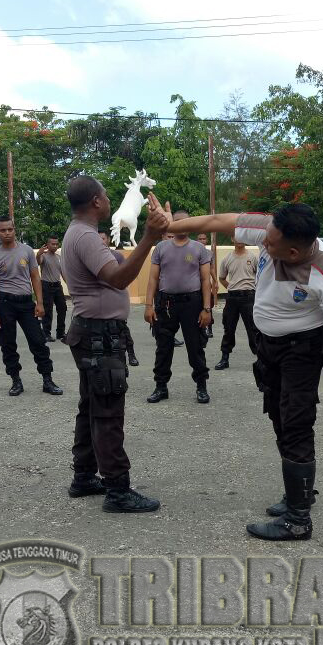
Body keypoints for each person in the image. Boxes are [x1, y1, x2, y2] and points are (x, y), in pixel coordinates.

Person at [150, 196, 323, 541]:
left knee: (295, 422)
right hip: (270, 347)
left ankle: (298, 519)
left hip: (303, 349)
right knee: (278, 415)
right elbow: (218, 221)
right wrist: (169, 226)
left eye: (270, 243)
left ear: (293, 252)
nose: (262, 242)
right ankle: (298, 494)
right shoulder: (270, 229)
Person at [61, 176, 168, 513]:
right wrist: (149, 238)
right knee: (108, 412)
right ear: (96, 201)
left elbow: (113, 268)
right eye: (105, 196)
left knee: (91, 406)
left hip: (92, 333)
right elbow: (119, 279)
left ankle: (84, 476)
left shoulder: (78, 234)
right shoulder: (86, 237)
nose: (109, 200)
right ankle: (117, 490)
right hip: (99, 337)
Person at [0, 216, 62, 397]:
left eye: (9, 229)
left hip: (26, 303)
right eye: (2, 230)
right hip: (5, 304)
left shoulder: (27, 251)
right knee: (8, 344)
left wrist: (40, 303)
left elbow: (35, 277)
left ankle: (47, 380)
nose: (7, 233)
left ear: (14, 229)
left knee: (38, 341)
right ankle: (16, 381)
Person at [144, 215, 213, 404]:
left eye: (186, 222)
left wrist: (207, 309)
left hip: (192, 303)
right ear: (172, 224)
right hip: (166, 304)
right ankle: (161, 387)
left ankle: (201, 386)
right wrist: (149, 306)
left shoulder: (199, 249)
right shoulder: (161, 248)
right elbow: (152, 279)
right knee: (163, 347)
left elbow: (206, 280)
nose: (182, 226)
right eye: (178, 222)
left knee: (195, 346)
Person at [214, 240, 259, 370]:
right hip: (232, 298)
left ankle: (261, 358)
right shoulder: (227, 258)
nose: (239, 240)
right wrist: (233, 288)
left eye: (241, 237)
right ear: (232, 239)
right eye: (236, 237)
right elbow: (222, 277)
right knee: (228, 328)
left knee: (253, 329)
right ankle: (225, 358)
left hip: (249, 297)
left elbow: (259, 275)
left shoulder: (252, 257)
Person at [100, 231, 140, 367]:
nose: (101, 241)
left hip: (117, 297)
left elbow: (126, 275)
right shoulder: (93, 256)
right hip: (101, 300)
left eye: (103, 238)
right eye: (97, 238)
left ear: (108, 239)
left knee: (122, 329)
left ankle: (131, 354)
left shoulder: (117, 256)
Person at [36, 236, 67, 343]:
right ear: (47, 245)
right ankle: (46, 333)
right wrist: (39, 253)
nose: (55, 246)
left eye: (56, 244)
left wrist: (70, 285)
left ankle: (60, 333)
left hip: (57, 286)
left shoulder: (59, 257)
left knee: (63, 308)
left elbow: (63, 273)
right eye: (52, 244)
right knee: (47, 311)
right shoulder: (43, 256)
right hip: (46, 286)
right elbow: (38, 262)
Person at [197, 232, 219, 338]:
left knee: (208, 306)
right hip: (196, 285)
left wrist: (215, 281)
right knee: (197, 307)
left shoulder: (209, 253)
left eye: (204, 239)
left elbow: (211, 268)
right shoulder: (193, 252)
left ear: (206, 241)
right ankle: (200, 329)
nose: (202, 241)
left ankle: (209, 329)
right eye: (200, 239)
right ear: (197, 240)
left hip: (207, 285)